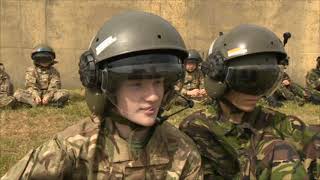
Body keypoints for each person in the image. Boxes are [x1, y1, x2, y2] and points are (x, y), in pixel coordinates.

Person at [1, 11, 202, 180]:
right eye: (137, 84)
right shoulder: (73, 147)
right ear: (105, 86)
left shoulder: (182, 151)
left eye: (158, 82)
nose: (153, 96)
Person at [179, 24, 320, 179]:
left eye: (264, 80)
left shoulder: (273, 121)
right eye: (245, 79)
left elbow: (307, 136)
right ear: (217, 76)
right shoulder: (198, 128)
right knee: (278, 151)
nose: (255, 91)